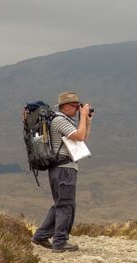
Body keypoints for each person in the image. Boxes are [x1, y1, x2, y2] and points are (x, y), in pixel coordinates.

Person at [31, 91, 93, 252]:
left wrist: (86, 121)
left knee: (61, 204)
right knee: (66, 205)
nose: (78, 109)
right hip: (63, 169)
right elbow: (79, 136)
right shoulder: (59, 120)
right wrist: (83, 117)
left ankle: (41, 235)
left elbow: (82, 139)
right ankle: (59, 242)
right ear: (65, 106)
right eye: (76, 106)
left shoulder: (64, 120)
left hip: (61, 169)